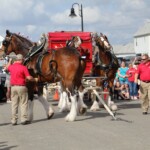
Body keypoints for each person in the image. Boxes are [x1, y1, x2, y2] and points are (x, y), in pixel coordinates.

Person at [6, 54, 35, 125]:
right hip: (21, 87)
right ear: (21, 60)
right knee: (23, 103)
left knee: (14, 104)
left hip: (13, 87)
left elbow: (7, 68)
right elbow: (28, 77)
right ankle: (23, 119)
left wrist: (10, 61)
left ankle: (14, 120)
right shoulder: (23, 67)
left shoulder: (12, 67)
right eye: (23, 60)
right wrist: (33, 79)